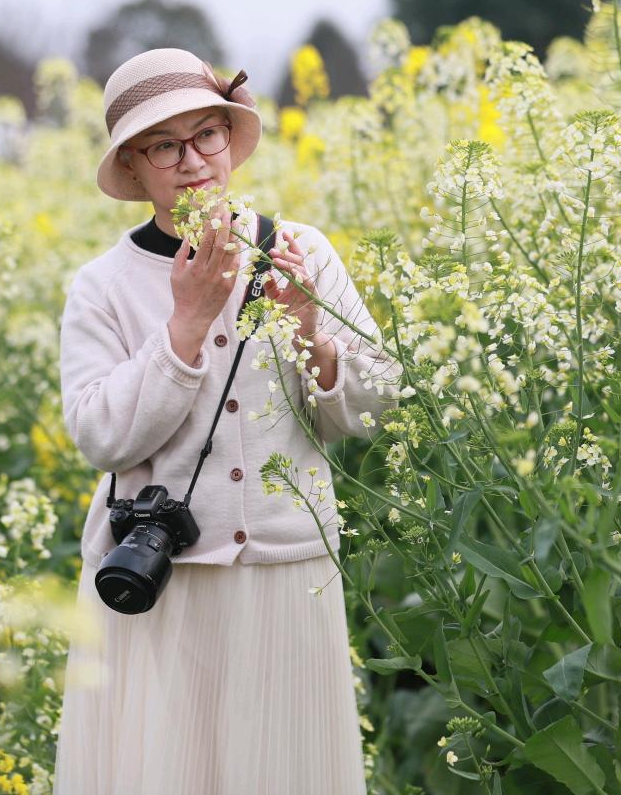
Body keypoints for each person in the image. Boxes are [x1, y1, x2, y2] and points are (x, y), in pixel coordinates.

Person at [53, 47, 400, 794]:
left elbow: (371, 407)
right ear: (135, 168)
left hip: (284, 578)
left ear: (228, 141)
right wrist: (186, 325)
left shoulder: (301, 252)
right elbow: (98, 436)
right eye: (165, 146)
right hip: (158, 588)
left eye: (207, 134)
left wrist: (310, 329)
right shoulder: (102, 287)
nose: (192, 162)